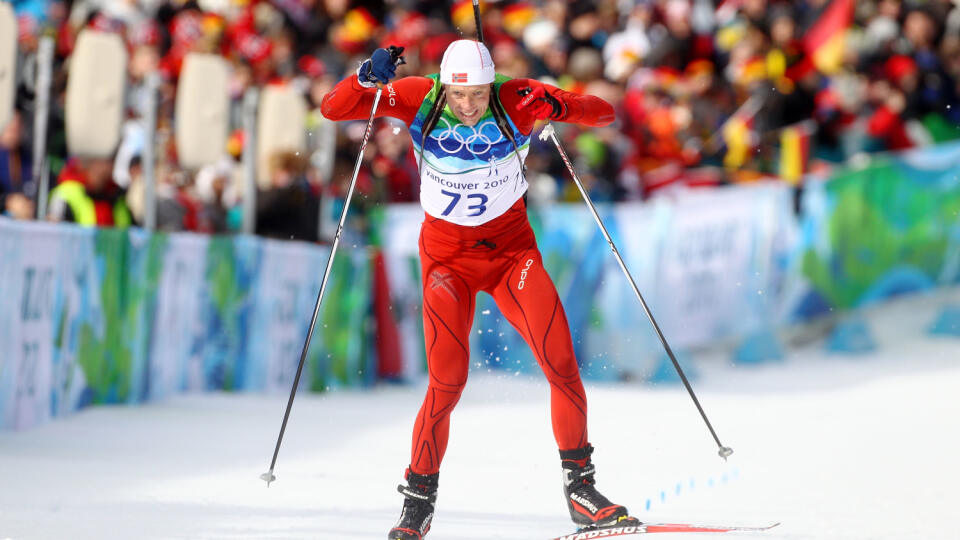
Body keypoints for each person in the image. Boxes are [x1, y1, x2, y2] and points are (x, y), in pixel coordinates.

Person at [321, 40, 631, 540]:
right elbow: (332, 109)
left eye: (479, 96)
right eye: (459, 97)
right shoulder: (418, 97)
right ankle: (417, 501)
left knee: (561, 364)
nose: (468, 107)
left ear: (492, 84)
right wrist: (363, 77)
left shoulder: (517, 95)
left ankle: (581, 489)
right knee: (447, 382)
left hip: (512, 257)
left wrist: (559, 106)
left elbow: (604, 113)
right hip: (447, 263)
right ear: (445, 86)